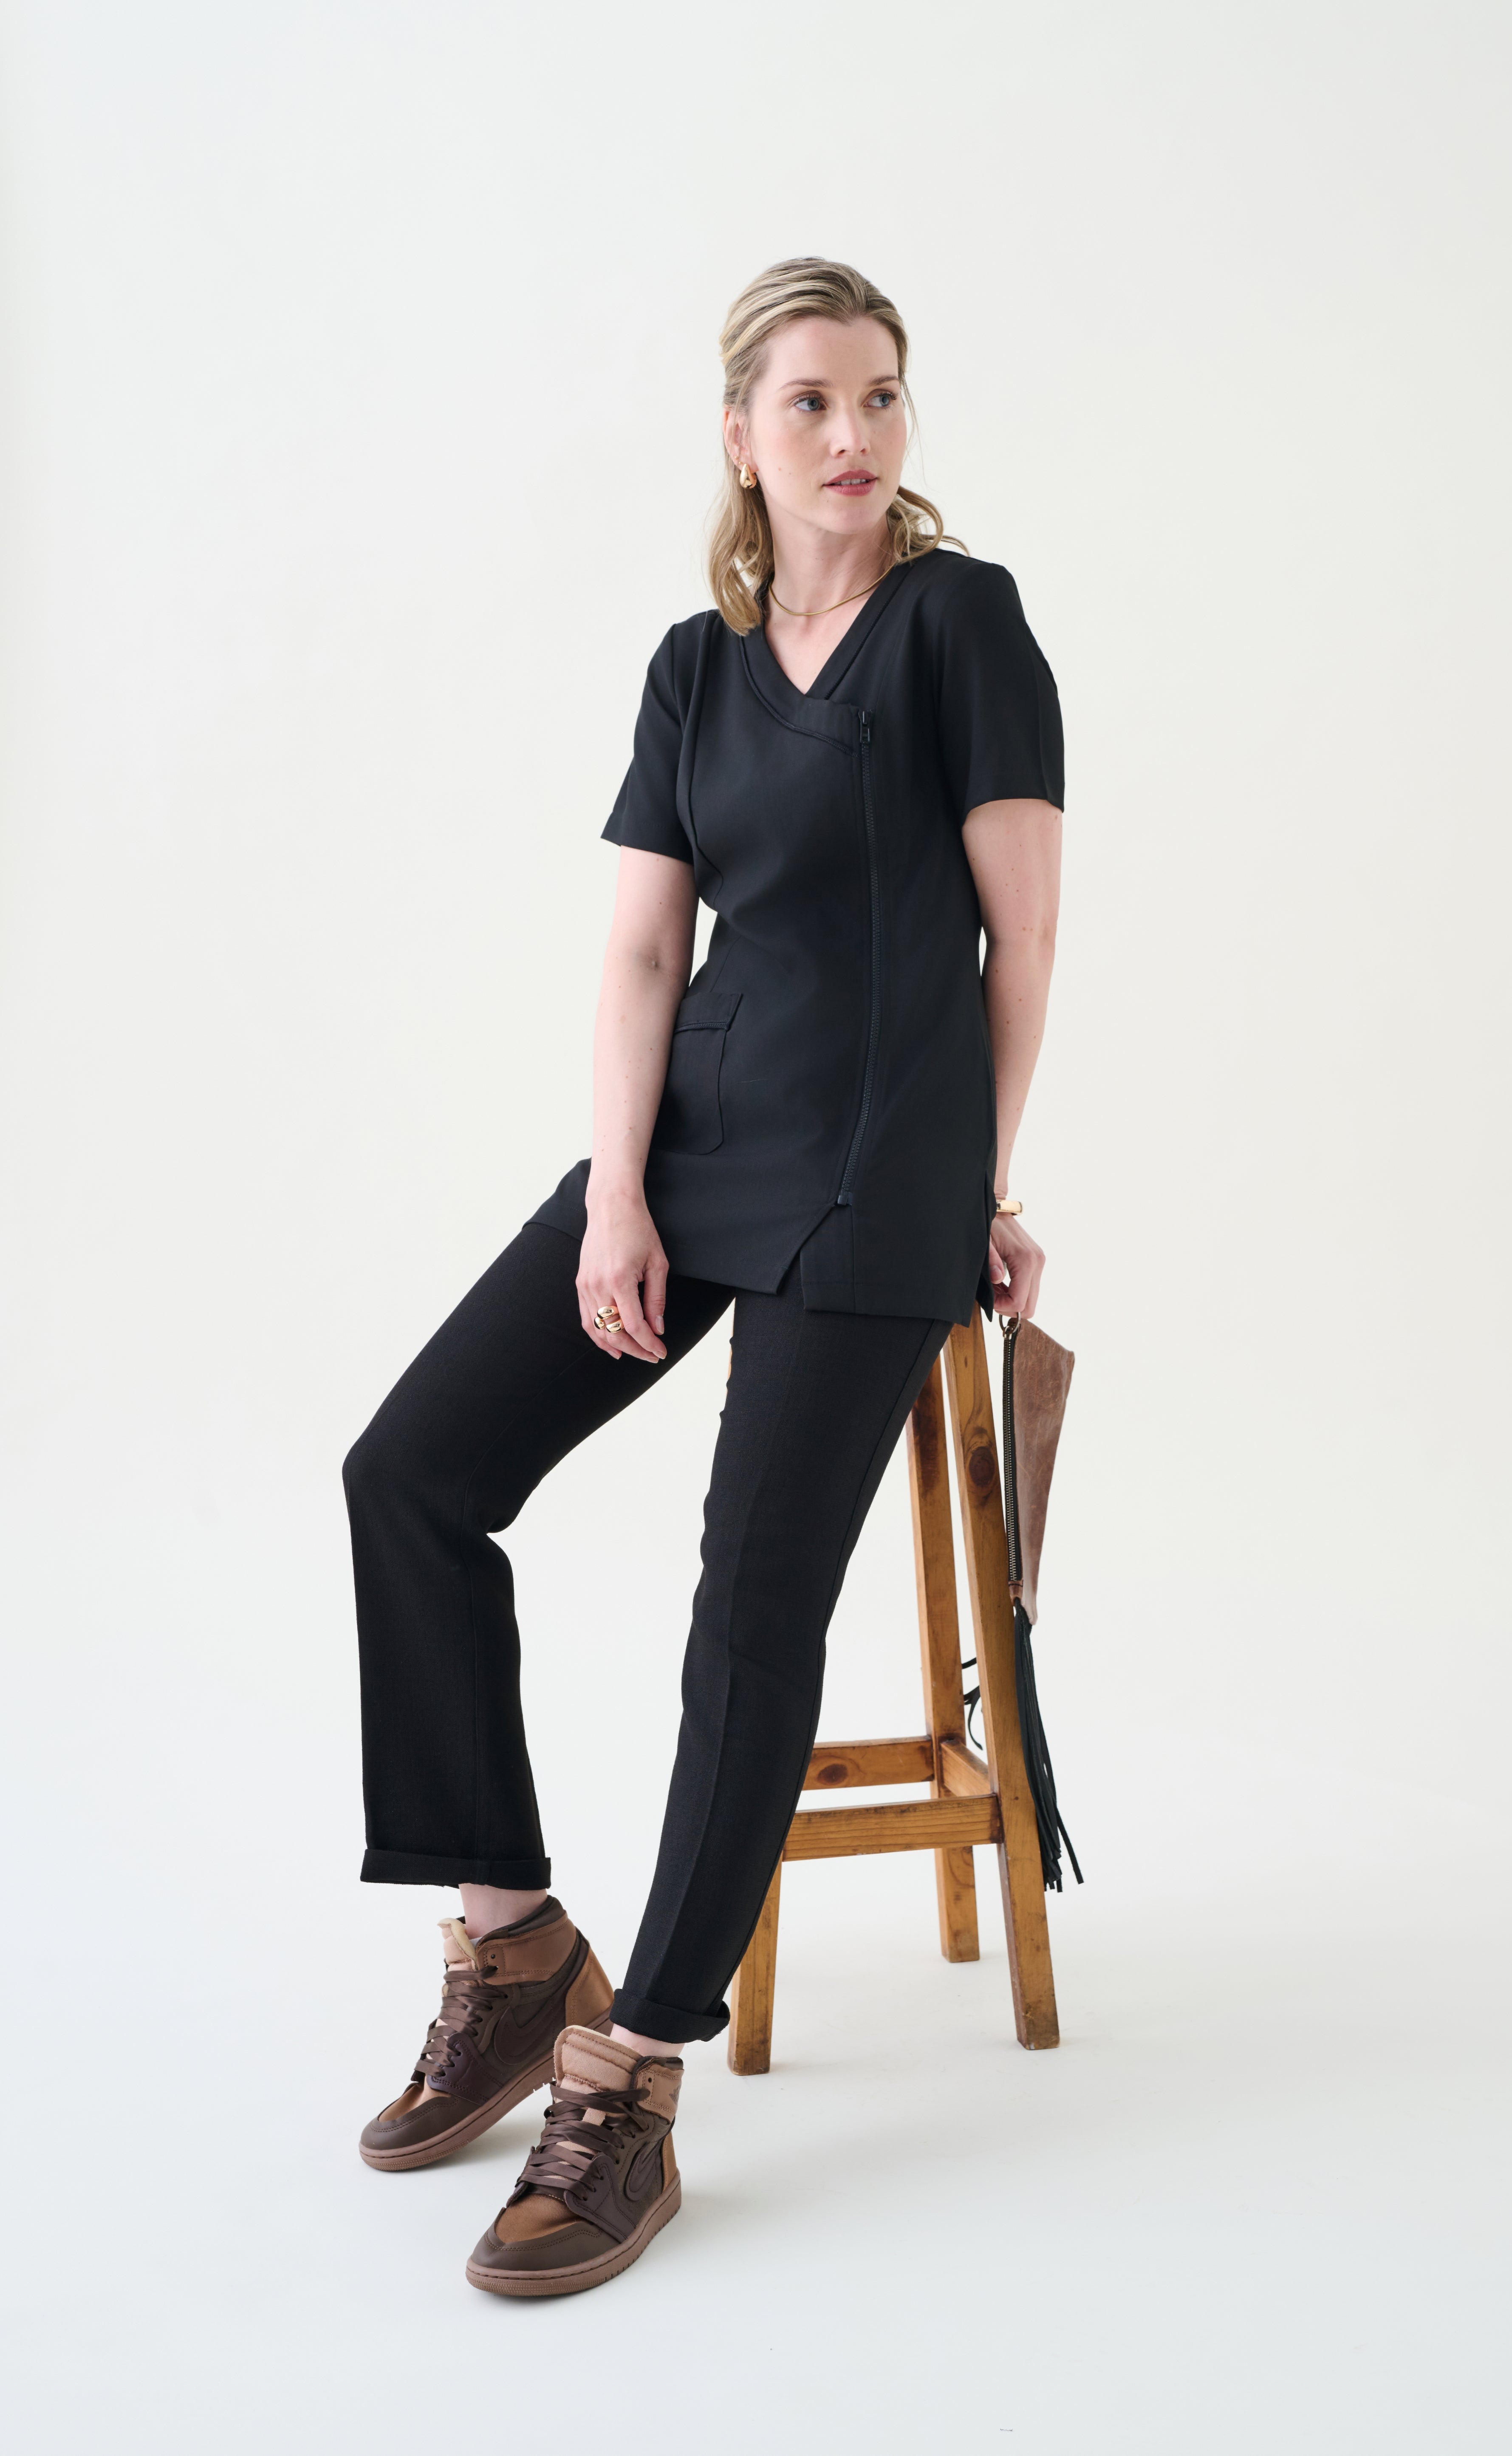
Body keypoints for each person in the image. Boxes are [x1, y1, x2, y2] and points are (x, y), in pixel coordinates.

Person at [342, 257, 1064, 2298]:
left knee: (747, 1601)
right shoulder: (696, 663)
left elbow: (1021, 934)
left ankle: (633, 2067)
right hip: (696, 1142)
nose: (854, 434)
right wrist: (614, 1197)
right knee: (410, 1474)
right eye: (811, 400)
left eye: (881, 396)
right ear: (739, 433)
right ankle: (512, 1943)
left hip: (882, 1166)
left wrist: (985, 1183)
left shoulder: (962, 620)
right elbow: (648, 947)